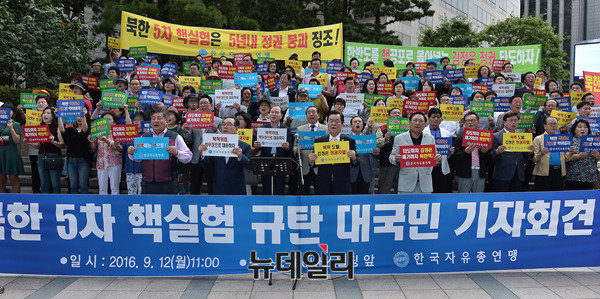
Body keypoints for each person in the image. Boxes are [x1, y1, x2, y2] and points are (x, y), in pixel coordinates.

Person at [127, 108, 193, 194]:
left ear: (166, 121)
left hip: (168, 184)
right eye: (153, 118)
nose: (156, 120)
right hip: (148, 183)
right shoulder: (144, 138)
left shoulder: (174, 137)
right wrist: (131, 153)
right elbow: (137, 159)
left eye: (159, 118)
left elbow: (188, 157)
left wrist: (177, 152)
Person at [389, 111, 441, 194]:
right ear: (409, 123)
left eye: (421, 121)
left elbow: (434, 157)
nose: (417, 123)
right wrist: (395, 158)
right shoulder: (399, 138)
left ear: (425, 124)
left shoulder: (430, 138)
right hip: (406, 184)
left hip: (425, 184)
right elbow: (391, 157)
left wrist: (438, 158)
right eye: (415, 120)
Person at [308, 111, 357, 195]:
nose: (333, 124)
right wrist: (311, 161)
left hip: (342, 184)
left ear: (342, 123)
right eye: (331, 121)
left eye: (337, 121)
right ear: (327, 123)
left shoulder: (349, 141)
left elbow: (356, 163)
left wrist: (354, 158)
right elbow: (314, 164)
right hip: (323, 184)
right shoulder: (319, 141)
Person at [198, 117, 251, 195]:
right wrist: (202, 154)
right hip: (218, 186)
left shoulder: (244, 146)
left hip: (236, 187)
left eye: (229, 125)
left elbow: (249, 165)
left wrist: (240, 156)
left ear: (236, 128)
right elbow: (207, 166)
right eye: (223, 124)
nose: (225, 127)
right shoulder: (213, 144)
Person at [184, 94, 222, 195]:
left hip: (212, 157)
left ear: (211, 106)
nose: (203, 105)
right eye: (201, 103)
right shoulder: (193, 119)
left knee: (212, 184)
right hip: (196, 157)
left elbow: (223, 140)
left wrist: (216, 130)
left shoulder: (218, 121)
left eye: (205, 103)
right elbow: (189, 140)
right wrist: (185, 131)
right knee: (195, 185)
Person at [490, 111, 535, 192]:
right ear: (504, 122)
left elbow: (527, 157)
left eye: (515, 120)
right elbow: (490, 156)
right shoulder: (496, 136)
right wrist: (497, 151)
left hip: (518, 175)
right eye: (511, 120)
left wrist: (531, 151)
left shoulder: (522, 137)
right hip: (502, 175)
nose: (513, 122)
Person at [254, 106, 292, 195]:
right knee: (266, 186)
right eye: (272, 112)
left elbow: (290, 147)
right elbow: (258, 147)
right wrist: (256, 145)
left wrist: (288, 146)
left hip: (280, 160)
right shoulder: (263, 129)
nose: (273, 114)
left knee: (280, 186)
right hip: (266, 159)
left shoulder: (286, 130)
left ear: (281, 116)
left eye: (276, 112)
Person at [451, 111, 490, 193]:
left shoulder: (484, 137)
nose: (470, 122)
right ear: (464, 123)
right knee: (463, 198)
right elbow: (454, 157)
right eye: (468, 121)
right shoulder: (460, 138)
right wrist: (465, 152)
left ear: (478, 122)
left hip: (480, 172)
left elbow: (490, 158)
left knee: (478, 198)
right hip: (464, 173)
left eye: (473, 120)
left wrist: (485, 152)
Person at [531, 116, 572, 191]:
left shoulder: (561, 139)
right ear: (545, 126)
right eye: (551, 124)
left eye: (555, 124)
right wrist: (542, 153)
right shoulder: (538, 139)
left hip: (559, 172)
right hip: (543, 173)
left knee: (557, 197)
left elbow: (566, 159)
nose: (553, 126)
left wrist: (570, 152)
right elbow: (534, 158)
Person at [294, 106, 328, 195]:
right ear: (306, 116)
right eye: (309, 113)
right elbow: (294, 146)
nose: (311, 114)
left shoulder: (326, 129)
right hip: (304, 166)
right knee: (303, 192)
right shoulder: (300, 129)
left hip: (320, 167)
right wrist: (296, 150)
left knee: (320, 193)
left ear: (319, 115)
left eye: (313, 112)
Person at [57, 110, 92, 194]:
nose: (79, 118)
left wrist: (83, 116)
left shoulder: (88, 130)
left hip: (83, 160)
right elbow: (62, 130)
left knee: (83, 184)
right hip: (71, 160)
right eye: (78, 116)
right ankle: (74, 203)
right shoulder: (71, 129)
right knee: (73, 185)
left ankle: (85, 203)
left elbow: (84, 129)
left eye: (81, 116)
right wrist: (59, 116)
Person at [34, 107, 64, 194]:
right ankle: (45, 204)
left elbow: (62, 144)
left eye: (48, 113)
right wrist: (30, 142)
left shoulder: (56, 127)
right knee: (43, 184)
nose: (45, 115)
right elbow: (39, 146)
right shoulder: (40, 127)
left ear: (53, 116)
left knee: (55, 184)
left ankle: (57, 203)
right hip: (41, 156)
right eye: (44, 113)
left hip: (53, 156)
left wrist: (53, 142)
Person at [91, 111, 123, 195]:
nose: (107, 121)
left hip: (114, 162)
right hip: (101, 162)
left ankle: (115, 206)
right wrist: (92, 141)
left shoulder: (117, 132)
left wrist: (106, 140)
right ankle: (103, 206)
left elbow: (120, 148)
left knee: (114, 188)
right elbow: (93, 147)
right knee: (102, 189)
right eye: (104, 119)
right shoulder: (98, 132)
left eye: (109, 119)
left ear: (114, 122)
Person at [424, 108, 454, 193]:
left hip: (442, 167)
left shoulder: (447, 133)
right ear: (429, 118)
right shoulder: (423, 132)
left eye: (438, 117)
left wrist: (450, 152)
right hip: (427, 168)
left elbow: (447, 152)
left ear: (441, 119)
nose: (436, 119)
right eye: (433, 117)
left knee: (442, 191)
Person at [565, 119, 600, 190]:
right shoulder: (570, 141)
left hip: (589, 176)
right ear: (574, 129)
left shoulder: (594, 141)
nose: (583, 129)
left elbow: (598, 159)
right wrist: (579, 156)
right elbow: (565, 158)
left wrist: (597, 156)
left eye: (585, 127)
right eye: (580, 127)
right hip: (574, 176)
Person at [376, 107, 402, 194]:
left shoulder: (407, 128)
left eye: (399, 113)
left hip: (403, 164)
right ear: (389, 117)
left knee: (400, 191)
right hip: (387, 163)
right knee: (384, 189)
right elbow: (377, 143)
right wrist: (385, 139)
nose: (397, 114)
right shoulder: (382, 128)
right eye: (394, 113)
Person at [349, 116, 376, 194]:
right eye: (355, 122)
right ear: (350, 126)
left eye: (360, 122)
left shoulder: (368, 140)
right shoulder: (346, 139)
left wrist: (375, 152)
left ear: (363, 125)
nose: (358, 123)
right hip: (351, 173)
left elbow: (373, 154)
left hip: (365, 173)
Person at [0, 103, 24, 193]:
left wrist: (11, 128)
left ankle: (16, 201)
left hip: (11, 153)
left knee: (13, 179)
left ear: (13, 112)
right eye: (4, 110)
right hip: (1, 153)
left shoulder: (16, 124)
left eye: (9, 110)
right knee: (1, 181)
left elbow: (17, 140)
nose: (6, 112)